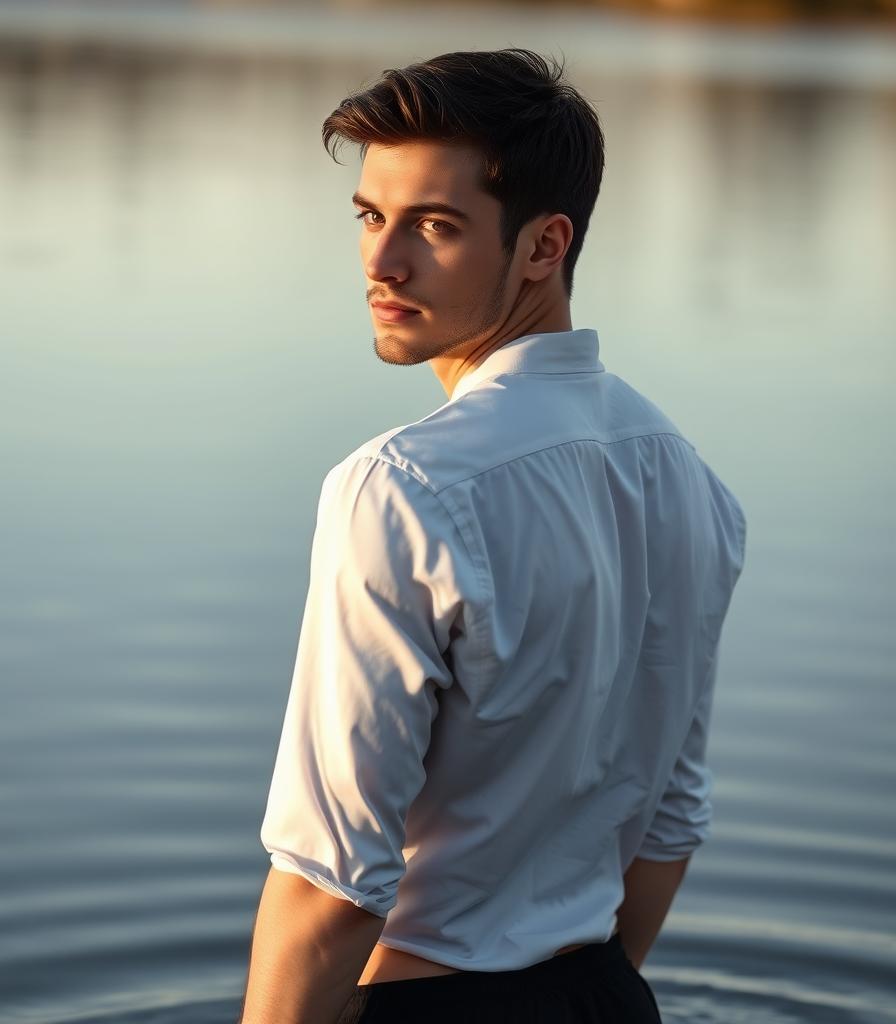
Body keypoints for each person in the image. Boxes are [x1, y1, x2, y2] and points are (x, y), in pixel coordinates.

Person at [237, 47, 747, 1024]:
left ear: (543, 246)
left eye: (434, 225)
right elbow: (670, 817)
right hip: (606, 994)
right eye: (370, 216)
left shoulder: (399, 489)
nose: (383, 262)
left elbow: (329, 885)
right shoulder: (687, 478)